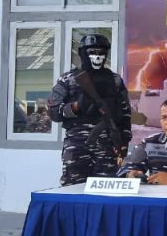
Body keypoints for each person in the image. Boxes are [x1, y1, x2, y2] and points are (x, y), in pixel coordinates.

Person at [47, 34, 132, 186]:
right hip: (77, 145)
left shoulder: (115, 81)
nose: (97, 56)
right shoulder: (68, 79)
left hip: (107, 146)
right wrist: (75, 107)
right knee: (73, 190)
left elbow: (125, 114)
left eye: (101, 53)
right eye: (92, 52)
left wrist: (123, 141)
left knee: (105, 191)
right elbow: (53, 112)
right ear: (83, 54)